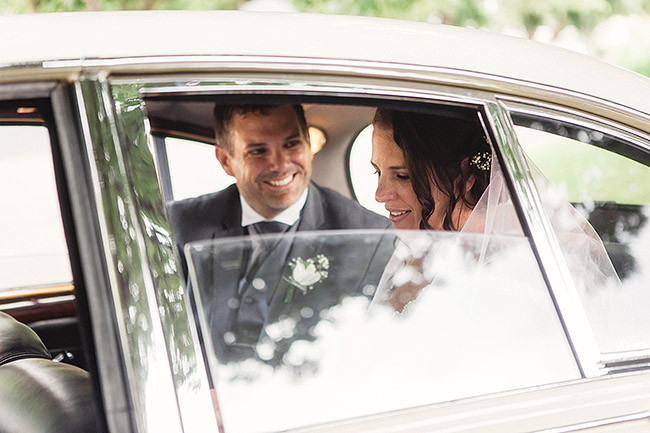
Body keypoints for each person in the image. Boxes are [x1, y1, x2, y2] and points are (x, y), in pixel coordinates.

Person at [168, 103, 390, 362]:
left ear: (308, 144)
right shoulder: (178, 225)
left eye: (291, 144)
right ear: (226, 160)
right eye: (258, 151)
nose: (280, 164)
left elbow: (366, 348)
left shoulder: (369, 237)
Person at [370, 107, 620, 314]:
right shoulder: (421, 253)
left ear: (465, 175)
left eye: (403, 176)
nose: (379, 195)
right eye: (377, 172)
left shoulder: (524, 267)